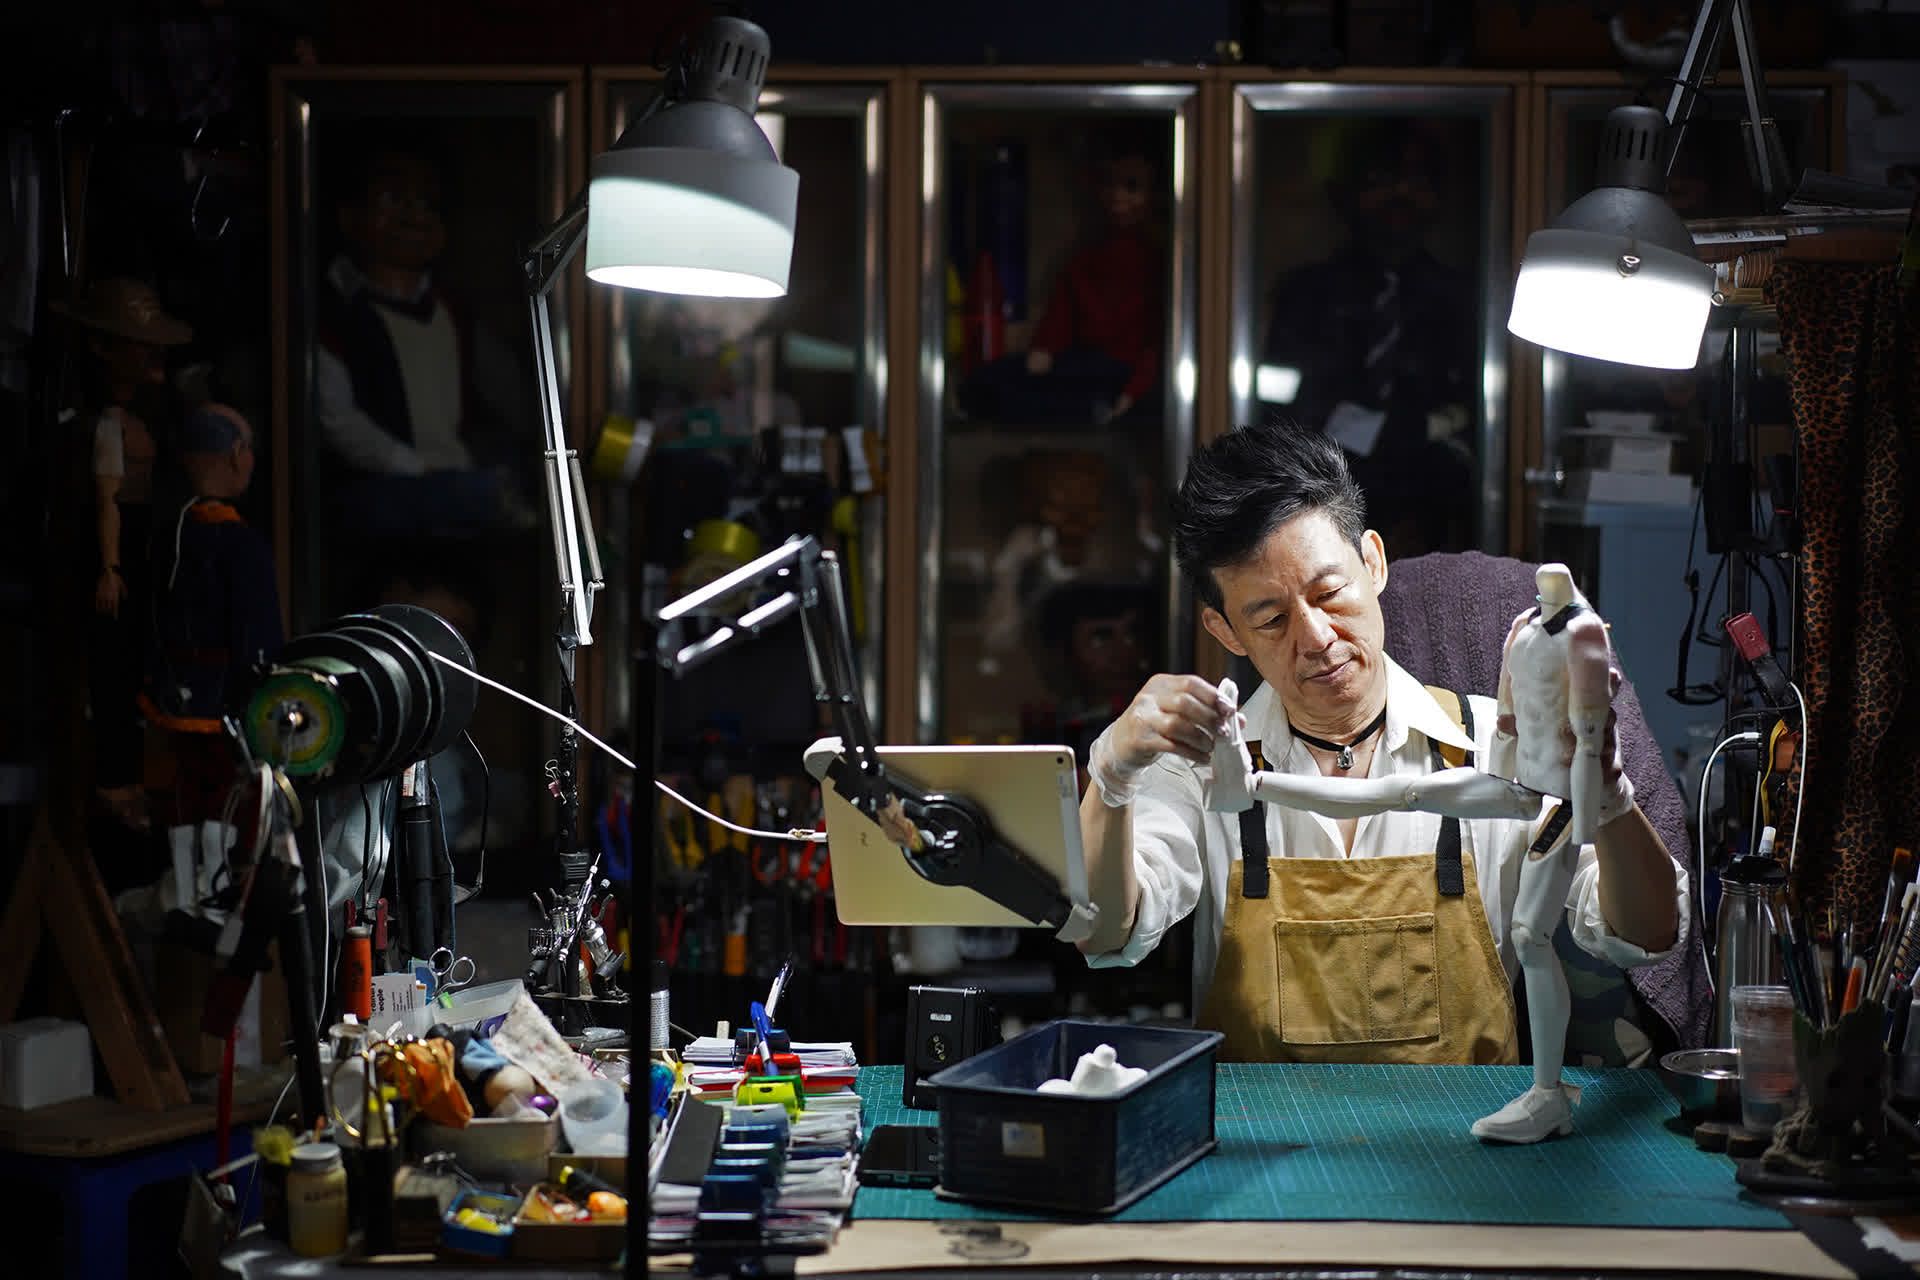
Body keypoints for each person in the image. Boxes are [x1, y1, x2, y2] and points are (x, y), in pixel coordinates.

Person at [1075, 425, 1688, 1137]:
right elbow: (1108, 933)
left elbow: (1647, 933)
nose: (1317, 638)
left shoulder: (1498, 745)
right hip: (1258, 1156)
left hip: (1467, 1153)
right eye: (1271, 619)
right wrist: (1111, 775)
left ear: (1373, 562)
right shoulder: (1199, 768)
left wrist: (1604, 787)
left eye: (1330, 593)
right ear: (1225, 630)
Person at [53, 276, 194, 828]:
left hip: (147, 550)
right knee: (113, 670)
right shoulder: (105, 427)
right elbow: (108, 500)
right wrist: (110, 566)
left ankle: (134, 777)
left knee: (137, 667)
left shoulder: (151, 416)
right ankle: (116, 782)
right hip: (120, 554)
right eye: (139, 344)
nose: (152, 355)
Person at [140, 403, 282, 915]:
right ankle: (215, 890)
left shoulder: (168, 536)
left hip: (172, 695)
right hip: (227, 700)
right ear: (237, 456)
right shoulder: (241, 545)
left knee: (185, 798)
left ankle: (183, 888)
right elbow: (258, 635)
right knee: (227, 797)